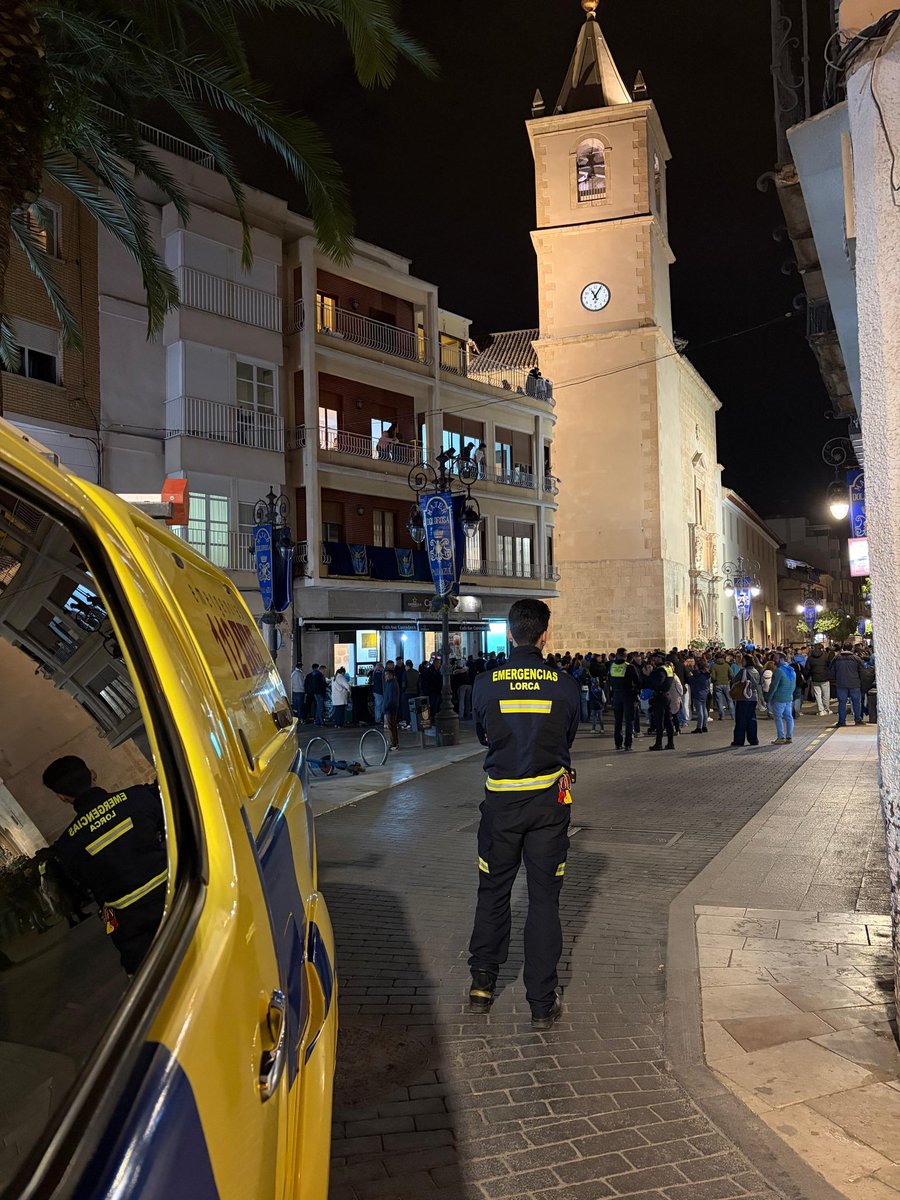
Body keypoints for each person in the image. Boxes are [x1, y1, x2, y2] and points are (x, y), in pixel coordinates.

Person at [467, 598, 580, 1030]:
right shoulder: (564, 684)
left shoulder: (485, 683)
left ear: (510, 633)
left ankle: (483, 982)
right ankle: (540, 1001)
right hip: (549, 806)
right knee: (544, 901)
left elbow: (482, 735)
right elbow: (567, 737)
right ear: (545, 634)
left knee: (493, 891)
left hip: (500, 806)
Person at [43, 756, 167, 976]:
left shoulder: (67, 845)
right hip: (177, 896)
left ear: (61, 797)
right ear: (92, 773)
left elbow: (82, 882)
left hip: (130, 926)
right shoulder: (138, 798)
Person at [608, 648, 641, 751]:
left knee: (618, 721)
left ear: (617, 655)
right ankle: (628, 744)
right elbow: (637, 681)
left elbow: (610, 681)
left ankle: (618, 743)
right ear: (626, 657)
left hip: (617, 695)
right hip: (629, 695)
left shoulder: (612, 666)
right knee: (629, 720)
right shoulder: (630, 667)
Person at [830, 641, 865, 727]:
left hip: (841, 683)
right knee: (856, 702)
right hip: (855, 683)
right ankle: (858, 719)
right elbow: (862, 671)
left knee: (842, 702)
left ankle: (841, 721)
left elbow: (831, 671)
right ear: (851, 649)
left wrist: (834, 681)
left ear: (843, 648)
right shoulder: (856, 658)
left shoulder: (836, 658)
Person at [646, 653, 676, 751]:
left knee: (659, 721)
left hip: (659, 696)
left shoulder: (660, 670)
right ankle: (670, 743)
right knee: (668, 720)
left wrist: (649, 675)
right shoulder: (668, 668)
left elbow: (657, 682)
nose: (653, 659)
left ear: (660, 658)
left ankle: (658, 744)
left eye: (655, 657)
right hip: (667, 695)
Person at [730, 655, 760, 747]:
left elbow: (734, 681)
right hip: (753, 697)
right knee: (752, 719)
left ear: (746, 661)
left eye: (743, 660)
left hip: (743, 697)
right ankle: (753, 739)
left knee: (741, 720)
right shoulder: (756, 671)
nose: (741, 662)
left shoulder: (744, 671)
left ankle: (739, 740)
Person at [768, 653, 796, 744]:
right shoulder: (791, 670)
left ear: (781, 659)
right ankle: (789, 737)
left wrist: (767, 697)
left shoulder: (778, 671)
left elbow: (773, 686)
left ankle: (781, 737)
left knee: (778, 717)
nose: (774, 660)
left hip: (779, 698)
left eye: (776, 658)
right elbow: (793, 685)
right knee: (789, 717)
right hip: (789, 697)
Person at [805, 643, 834, 716]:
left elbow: (807, 669)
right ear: (822, 648)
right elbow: (830, 665)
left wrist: (807, 676)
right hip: (825, 677)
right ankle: (826, 709)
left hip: (815, 677)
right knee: (826, 694)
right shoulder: (826, 656)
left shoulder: (810, 657)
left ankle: (821, 710)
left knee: (818, 695)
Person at [687, 655, 711, 733]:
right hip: (705, 693)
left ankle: (699, 727)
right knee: (704, 710)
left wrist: (691, 671)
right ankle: (704, 725)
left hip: (698, 693)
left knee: (699, 711)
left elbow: (691, 681)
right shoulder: (707, 675)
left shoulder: (698, 675)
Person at [710, 655, 735, 721]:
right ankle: (733, 715)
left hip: (717, 684)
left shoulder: (714, 666)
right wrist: (729, 679)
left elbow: (713, 677)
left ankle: (722, 716)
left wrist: (713, 681)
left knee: (719, 701)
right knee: (729, 700)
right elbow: (731, 675)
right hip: (726, 684)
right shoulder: (727, 665)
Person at [383, 668, 400, 750]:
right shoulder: (391, 683)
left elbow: (391, 698)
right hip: (391, 707)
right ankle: (395, 743)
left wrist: (386, 707)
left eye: (386, 674)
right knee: (393, 726)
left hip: (390, 708)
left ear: (390, 675)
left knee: (391, 727)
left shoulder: (392, 684)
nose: (385, 676)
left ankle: (393, 744)